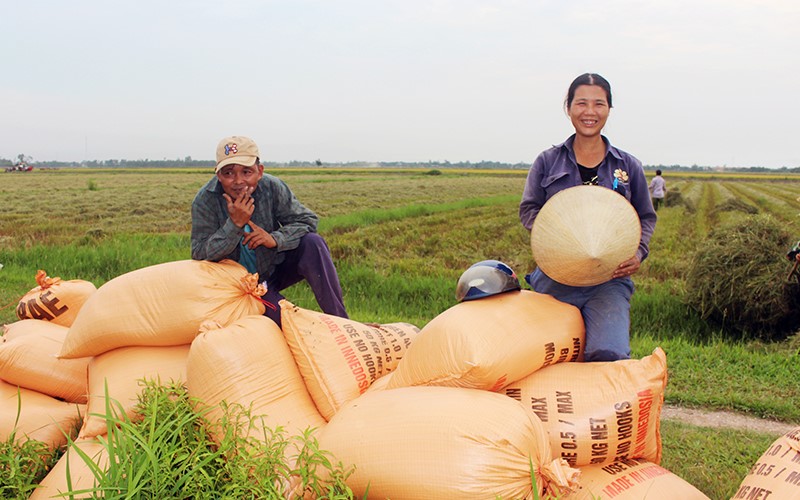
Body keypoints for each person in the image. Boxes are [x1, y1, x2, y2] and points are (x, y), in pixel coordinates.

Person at [518, 73, 657, 362]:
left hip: (608, 279)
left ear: (609, 109)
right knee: (546, 357)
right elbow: (529, 209)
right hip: (555, 277)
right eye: (581, 103)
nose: (590, 112)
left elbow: (645, 215)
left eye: (599, 104)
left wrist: (638, 252)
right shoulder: (547, 161)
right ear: (568, 108)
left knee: (609, 355)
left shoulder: (627, 165)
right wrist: (557, 234)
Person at [191, 135, 348, 327]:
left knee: (313, 242)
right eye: (229, 173)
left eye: (247, 172)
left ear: (260, 171)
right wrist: (234, 225)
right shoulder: (205, 200)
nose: (238, 181)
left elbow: (307, 221)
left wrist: (274, 239)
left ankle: (342, 322)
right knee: (289, 323)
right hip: (237, 284)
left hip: (271, 268)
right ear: (218, 176)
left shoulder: (272, 188)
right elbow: (199, 254)